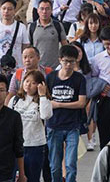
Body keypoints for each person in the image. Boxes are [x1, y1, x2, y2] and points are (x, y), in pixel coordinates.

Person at [46, 45, 87, 182]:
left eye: (72, 61)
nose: (68, 65)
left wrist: (58, 104)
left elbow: (81, 103)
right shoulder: (51, 77)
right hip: (53, 125)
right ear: (60, 60)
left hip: (72, 126)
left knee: (70, 164)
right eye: (65, 61)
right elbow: (45, 100)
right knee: (55, 165)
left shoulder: (79, 79)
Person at [8, 70, 52, 182]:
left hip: (35, 145)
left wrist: (42, 95)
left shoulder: (43, 101)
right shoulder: (15, 100)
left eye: (33, 83)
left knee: (32, 177)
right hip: (16, 145)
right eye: (26, 81)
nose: (28, 85)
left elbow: (46, 115)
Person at [0, 0, 29, 69]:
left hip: (17, 67)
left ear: (14, 11)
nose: (6, 11)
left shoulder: (21, 27)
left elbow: (25, 48)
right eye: (4, 8)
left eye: (10, 9)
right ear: (0, 9)